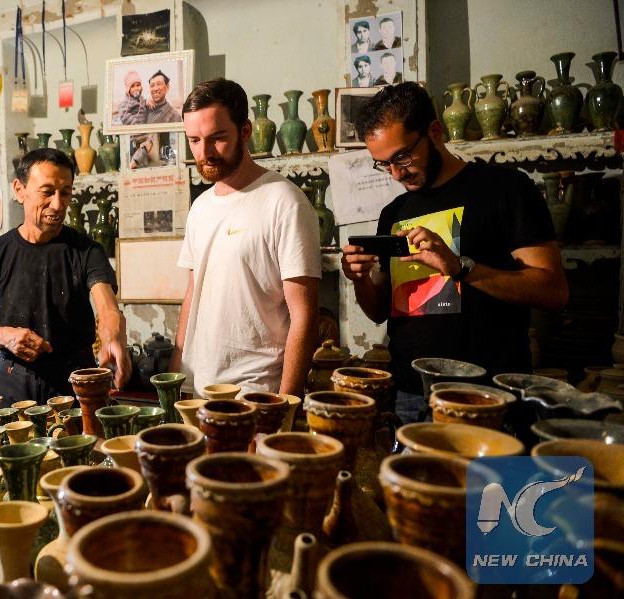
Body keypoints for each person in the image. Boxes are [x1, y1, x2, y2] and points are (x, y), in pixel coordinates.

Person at [340, 83, 568, 423]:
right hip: (411, 395)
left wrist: (460, 267)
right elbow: (378, 311)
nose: (396, 174)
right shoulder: (394, 212)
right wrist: (358, 279)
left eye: (402, 157)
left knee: (492, 480)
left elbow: (553, 291)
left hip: (491, 397)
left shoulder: (506, 189)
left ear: (435, 131)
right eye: (383, 164)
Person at [170, 78, 321, 397]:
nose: (205, 152)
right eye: (194, 140)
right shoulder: (200, 207)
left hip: (256, 393)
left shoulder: (284, 201)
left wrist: (286, 404)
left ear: (246, 131)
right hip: (197, 389)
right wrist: (176, 374)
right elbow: (193, 293)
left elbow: (304, 315)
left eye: (217, 138)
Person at [0, 148, 131, 406]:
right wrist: (6, 336)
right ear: (19, 190)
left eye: (65, 192)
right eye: (47, 192)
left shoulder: (86, 251)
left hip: (76, 377)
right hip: (14, 378)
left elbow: (107, 307)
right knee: (17, 446)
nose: (58, 204)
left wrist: (112, 340)